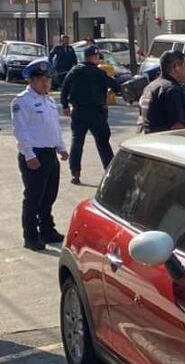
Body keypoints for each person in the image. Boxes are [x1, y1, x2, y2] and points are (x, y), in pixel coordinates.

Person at [12, 59, 68, 251]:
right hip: (34, 155)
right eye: (40, 79)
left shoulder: (50, 101)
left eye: (48, 79)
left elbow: (54, 128)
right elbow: (21, 130)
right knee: (34, 198)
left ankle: (47, 230)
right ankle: (31, 236)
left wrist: (61, 147)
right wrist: (29, 154)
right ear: (31, 81)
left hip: (50, 154)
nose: (45, 83)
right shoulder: (22, 101)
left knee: (49, 196)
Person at [60, 45, 121, 185]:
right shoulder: (99, 73)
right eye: (97, 57)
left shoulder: (75, 71)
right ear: (93, 57)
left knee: (77, 142)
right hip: (97, 113)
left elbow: (64, 87)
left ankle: (75, 173)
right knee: (103, 143)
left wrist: (64, 105)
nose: (98, 59)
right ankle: (110, 173)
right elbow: (115, 86)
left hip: (79, 111)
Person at [138, 50, 185, 133]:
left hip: (148, 139)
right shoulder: (172, 90)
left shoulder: (149, 87)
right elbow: (177, 127)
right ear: (175, 67)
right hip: (165, 142)